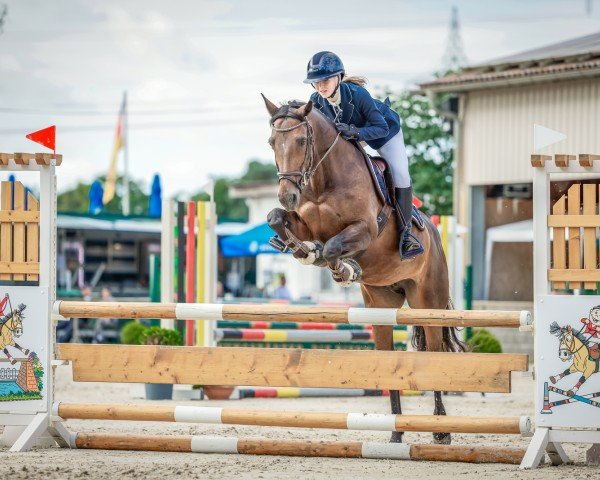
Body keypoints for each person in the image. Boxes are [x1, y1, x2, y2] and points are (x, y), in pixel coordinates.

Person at [304, 51, 423, 260]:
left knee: (401, 175)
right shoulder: (316, 101)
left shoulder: (356, 94)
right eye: (316, 82)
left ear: (339, 77)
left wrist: (356, 133)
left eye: (326, 80)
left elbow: (381, 127)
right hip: (355, 136)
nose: (321, 86)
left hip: (385, 133)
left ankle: (406, 235)